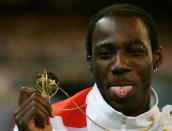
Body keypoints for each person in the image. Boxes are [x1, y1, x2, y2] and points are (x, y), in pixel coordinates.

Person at [13, 3, 172, 131]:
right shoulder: (47, 123)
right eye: (104, 54)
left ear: (156, 58)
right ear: (90, 63)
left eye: (135, 51)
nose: (119, 65)